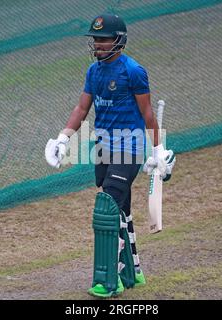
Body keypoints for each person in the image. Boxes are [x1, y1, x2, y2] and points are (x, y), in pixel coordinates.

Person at [45, 13, 175, 298]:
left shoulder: (134, 71)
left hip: (128, 149)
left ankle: (108, 280)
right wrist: (63, 138)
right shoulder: (94, 72)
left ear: (119, 40)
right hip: (103, 149)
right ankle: (133, 272)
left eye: (103, 39)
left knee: (107, 209)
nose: (98, 44)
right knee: (122, 212)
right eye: (95, 40)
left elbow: (148, 113)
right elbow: (81, 109)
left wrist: (157, 150)